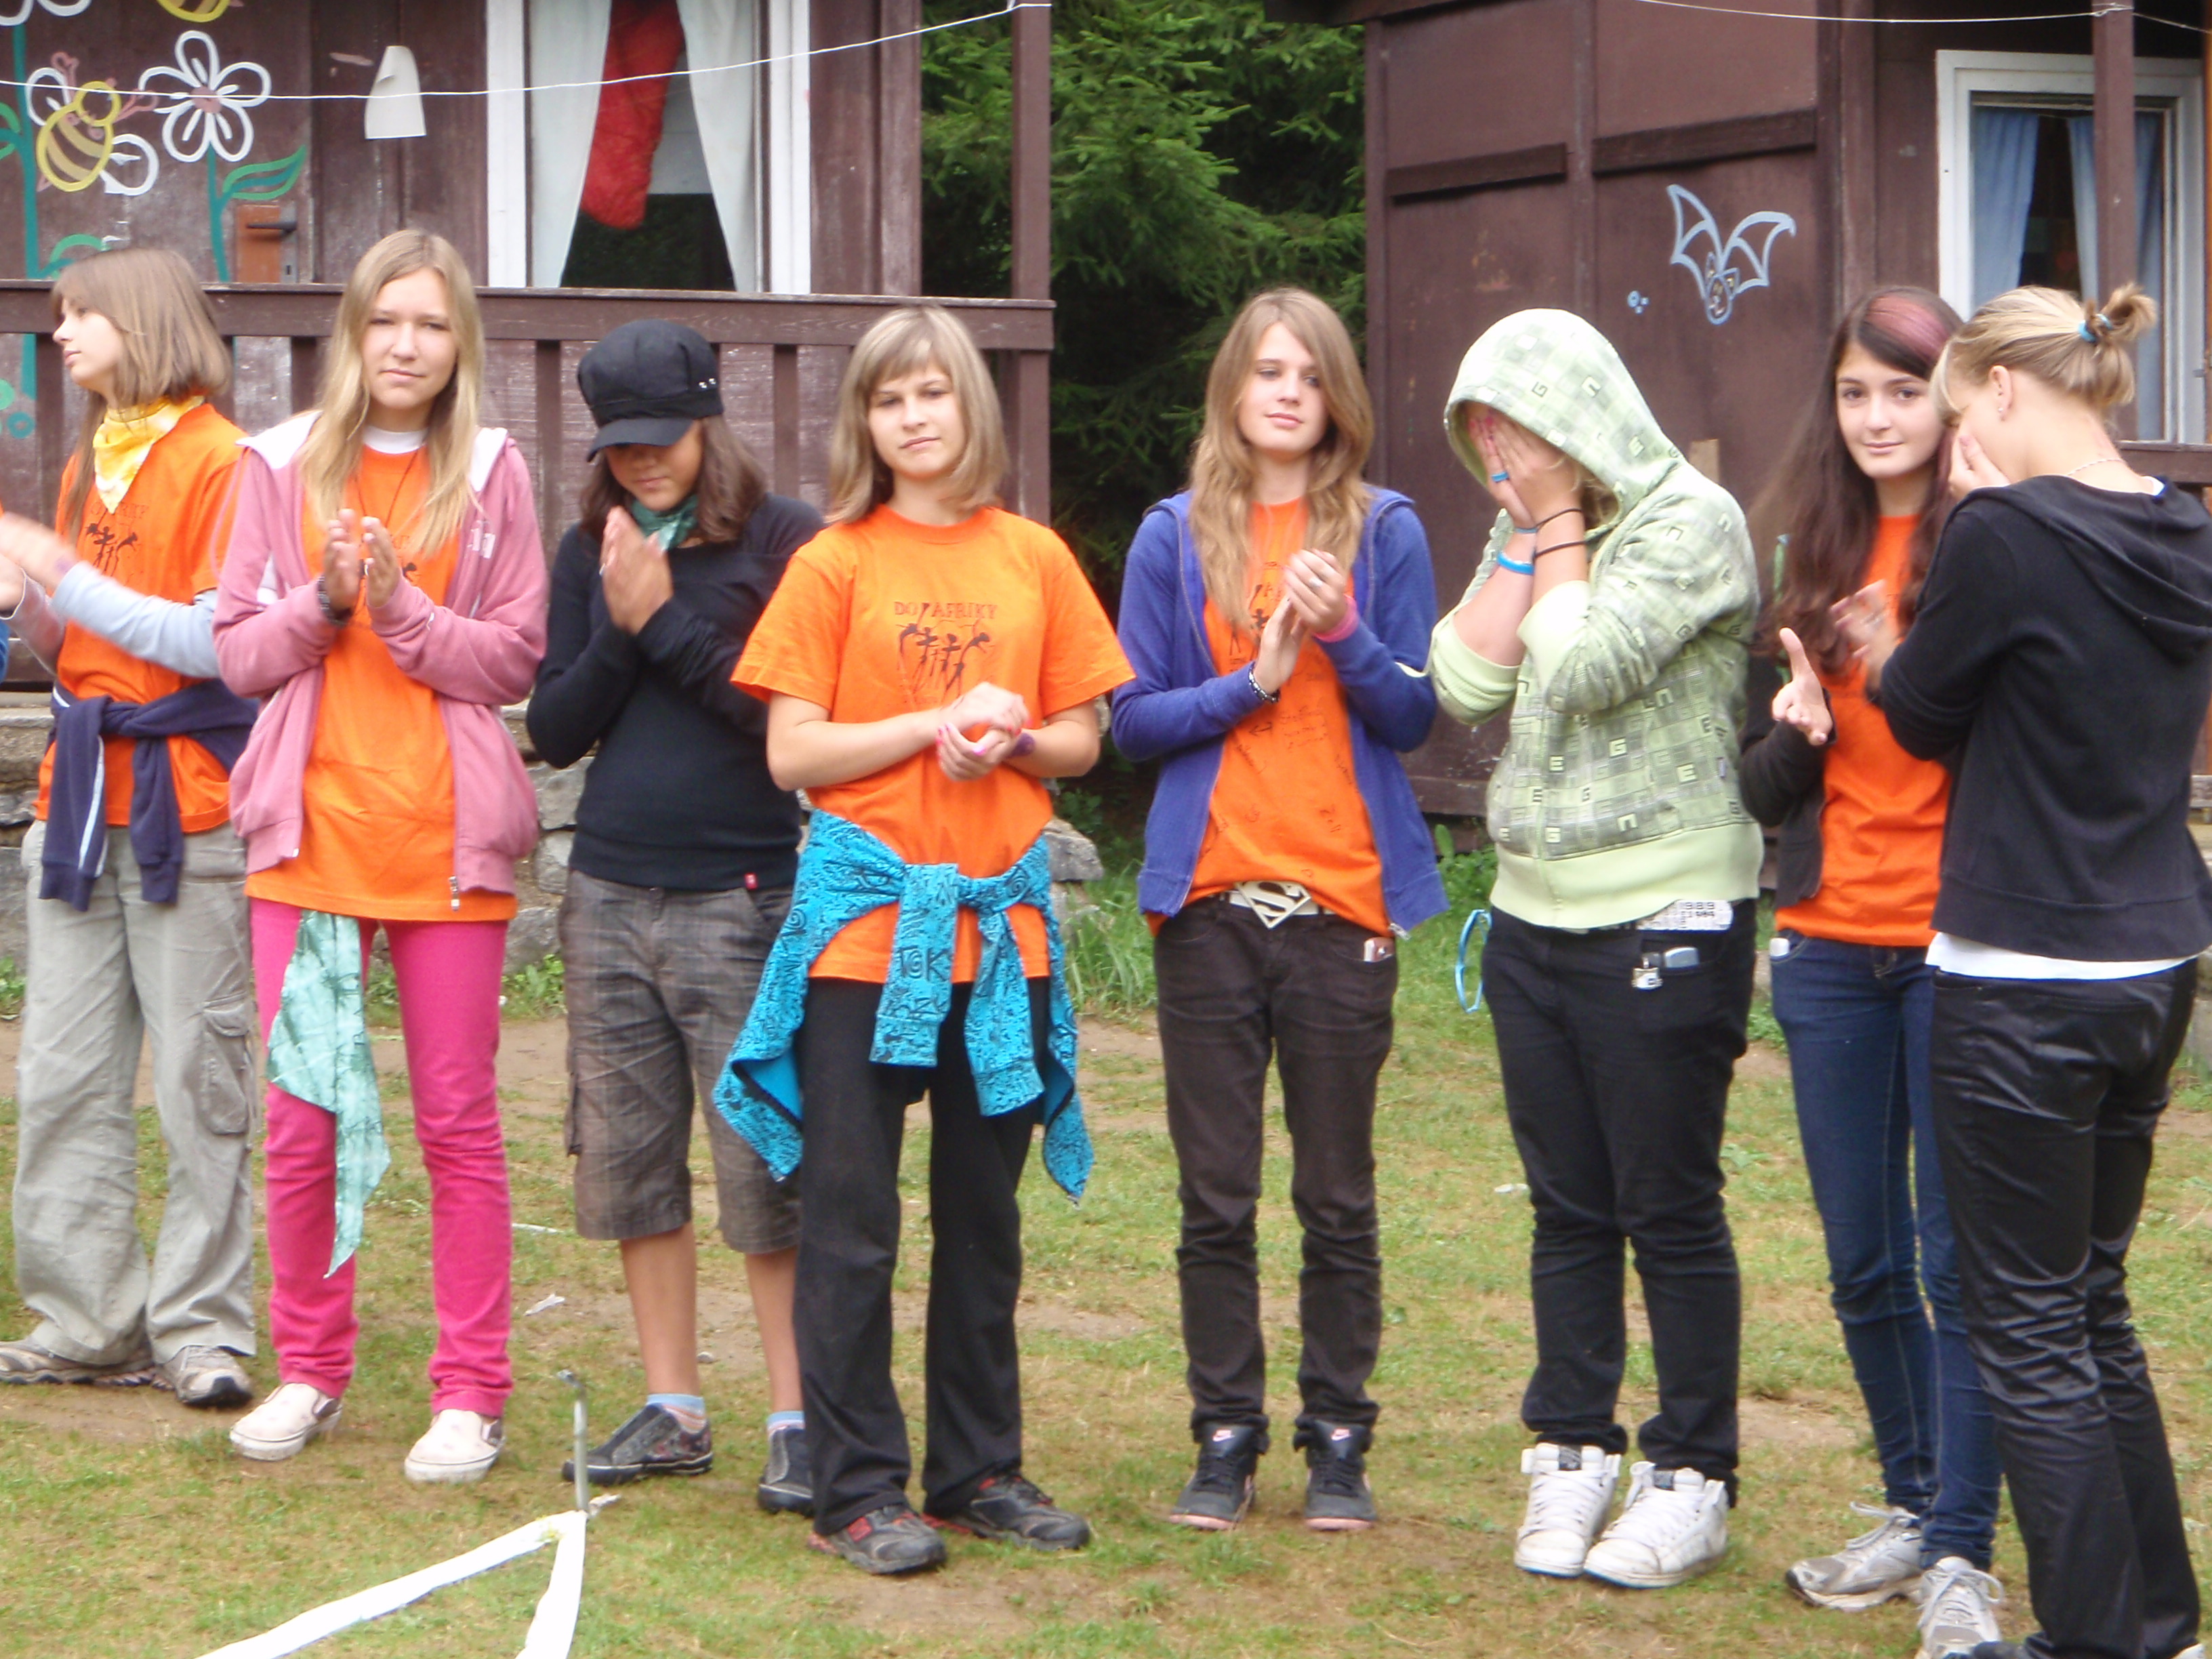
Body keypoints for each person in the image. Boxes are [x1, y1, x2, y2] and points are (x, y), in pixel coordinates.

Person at [715, 304, 1131, 1576]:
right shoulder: (833, 563)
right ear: (867, 422)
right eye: (889, 399)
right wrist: (929, 725)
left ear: (970, 407)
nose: (913, 417)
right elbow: (792, 751)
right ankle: (854, 1488)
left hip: (999, 945)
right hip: (863, 944)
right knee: (851, 1221)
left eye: (933, 393)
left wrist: (1014, 740)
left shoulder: (1035, 558)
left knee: (982, 1220)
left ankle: (978, 1470)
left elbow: (1085, 737)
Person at [1843, 284, 2210, 1659]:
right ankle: (2152, 1626)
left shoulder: (2000, 534)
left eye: (1952, 415)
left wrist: (1956, 546)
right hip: (2154, 958)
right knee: (2093, 1302)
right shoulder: (2184, 523)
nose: (1953, 446)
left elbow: (1921, 712)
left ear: (1997, 392)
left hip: (2023, 972)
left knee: (2028, 1326)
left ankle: (2099, 1640)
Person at [1426, 310, 1761, 1589]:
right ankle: (1571, 1450)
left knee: (1666, 1207)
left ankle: (1692, 1474)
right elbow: (1464, 680)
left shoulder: (1690, 521)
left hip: (1667, 913)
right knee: (1567, 1206)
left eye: (1513, 428)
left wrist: (1556, 522)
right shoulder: (1534, 526)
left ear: (1578, 414)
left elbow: (1582, 665)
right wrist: (1531, 532)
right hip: (1532, 916)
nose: (1498, 456)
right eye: (1480, 434)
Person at [212, 230, 546, 1484]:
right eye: (386, 321)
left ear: (462, 342)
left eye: (433, 324)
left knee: (457, 1122)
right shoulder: (276, 464)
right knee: (301, 1123)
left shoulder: (495, 471)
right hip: (308, 846)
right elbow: (239, 655)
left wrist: (400, 605)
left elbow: (512, 660)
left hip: (448, 848)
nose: (407, 346)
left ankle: (471, 1391)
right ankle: (310, 1368)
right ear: (351, 332)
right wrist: (327, 603)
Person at [1110, 287, 1446, 1534]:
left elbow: (1412, 715)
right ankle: (1225, 1435)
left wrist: (1345, 633)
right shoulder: (1172, 536)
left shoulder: (1385, 528)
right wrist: (1250, 683)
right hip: (1208, 902)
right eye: (1268, 371)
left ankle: (1339, 1440)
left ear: (1337, 396)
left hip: (1342, 902)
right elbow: (1130, 721)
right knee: (1216, 1197)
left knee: (1337, 1197)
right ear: (1233, 390)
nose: (1289, 392)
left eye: (1311, 374)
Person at [1740, 287, 2009, 1659]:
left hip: (1962, 948)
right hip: (1830, 948)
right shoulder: (1812, 551)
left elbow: (2021, 748)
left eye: (1904, 390)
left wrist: (1902, 667)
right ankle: (1913, 1503)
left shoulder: (1995, 543)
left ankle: (1964, 1552)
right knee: (1862, 1259)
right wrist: (1796, 730)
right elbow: (1759, 789)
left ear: (1952, 397)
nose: (1877, 417)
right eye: (1855, 392)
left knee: (1960, 1266)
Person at [527, 319, 823, 1509]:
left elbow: (781, 717)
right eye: (620, 443)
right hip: (607, 890)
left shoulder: (784, 540)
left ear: (709, 421)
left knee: (763, 1160)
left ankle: (798, 1416)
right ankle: (674, 1407)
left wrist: (661, 621)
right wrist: (618, 617)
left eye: (662, 436)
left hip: (743, 893)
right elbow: (557, 728)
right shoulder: (589, 547)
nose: (642, 460)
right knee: (630, 1160)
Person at [0, 247, 258, 1408]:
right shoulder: (88, 463)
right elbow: (80, 649)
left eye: (81, 313)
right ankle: (87, 1319)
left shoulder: (225, 462)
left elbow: (210, 644)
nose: (61, 332)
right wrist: (25, 600)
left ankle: (203, 1332)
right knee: (61, 1071)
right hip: (76, 800)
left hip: (189, 804)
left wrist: (59, 567)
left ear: (142, 320)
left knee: (201, 1079)